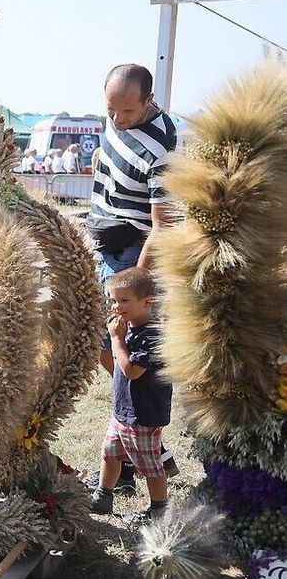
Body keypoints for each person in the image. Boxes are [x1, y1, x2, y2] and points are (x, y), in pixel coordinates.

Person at [84, 63, 180, 495]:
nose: (117, 118)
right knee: (107, 349)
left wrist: (135, 281)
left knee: (120, 346)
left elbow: (162, 226)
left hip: (130, 252)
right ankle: (135, 447)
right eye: (111, 109)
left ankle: (135, 455)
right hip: (104, 242)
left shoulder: (164, 153)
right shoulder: (115, 115)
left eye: (126, 111)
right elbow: (109, 147)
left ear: (148, 101)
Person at [89, 268, 172, 525]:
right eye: (113, 300)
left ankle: (159, 509)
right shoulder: (130, 329)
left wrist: (116, 341)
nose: (116, 306)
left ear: (147, 301)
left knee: (150, 465)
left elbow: (132, 371)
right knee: (110, 453)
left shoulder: (152, 335)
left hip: (143, 414)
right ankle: (103, 496)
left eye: (124, 300)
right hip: (123, 411)